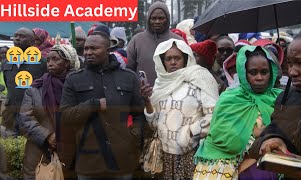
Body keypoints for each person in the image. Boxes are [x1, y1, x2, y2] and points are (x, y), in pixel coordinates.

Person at [59, 31, 144, 179]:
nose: (88, 52)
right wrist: (94, 104)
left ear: (108, 50)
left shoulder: (128, 78)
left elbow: (139, 114)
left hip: (122, 159)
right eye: (86, 48)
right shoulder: (74, 79)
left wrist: (133, 136)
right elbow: (65, 116)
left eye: (94, 48)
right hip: (88, 160)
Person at [193, 45, 282, 179]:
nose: (259, 77)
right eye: (253, 72)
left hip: (267, 165)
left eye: (264, 72)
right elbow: (222, 137)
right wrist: (254, 136)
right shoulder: (229, 99)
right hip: (225, 164)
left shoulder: (280, 98)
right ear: (243, 73)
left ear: (272, 73)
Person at [249, 23, 301, 179]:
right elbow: (262, 139)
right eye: (290, 63)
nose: (292, 72)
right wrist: (270, 140)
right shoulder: (287, 98)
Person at [141, 38, 219, 179]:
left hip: (193, 153)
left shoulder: (200, 78)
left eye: (177, 58)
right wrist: (147, 102)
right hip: (164, 156)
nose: (173, 62)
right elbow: (154, 126)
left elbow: (215, 115)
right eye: (168, 58)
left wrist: (190, 133)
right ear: (162, 61)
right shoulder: (161, 84)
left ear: (186, 58)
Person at [19, 40, 80, 179]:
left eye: (55, 59)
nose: (50, 63)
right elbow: (25, 119)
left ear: (68, 63)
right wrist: (47, 135)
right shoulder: (35, 90)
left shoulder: (78, 88)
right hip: (39, 152)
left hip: (71, 151)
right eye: (48, 60)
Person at [1, 27, 47, 133]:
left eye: (22, 36)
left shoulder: (43, 62)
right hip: (11, 112)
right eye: (16, 36)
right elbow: (9, 86)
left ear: (32, 42)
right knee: (10, 142)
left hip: (32, 112)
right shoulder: (6, 63)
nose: (17, 39)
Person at [126, 1, 183, 86]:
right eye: (153, 18)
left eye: (161, 18)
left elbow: (186, 69)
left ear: (167, 19)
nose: (157, 21)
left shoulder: (178, 41)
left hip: (173, 94)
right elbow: (129, 70)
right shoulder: (136, 40)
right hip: (142, 95)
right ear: (149, 19)